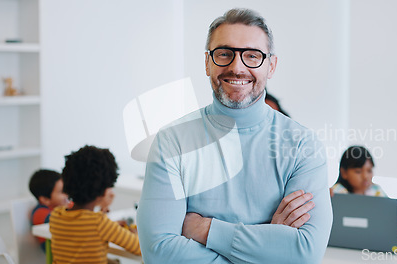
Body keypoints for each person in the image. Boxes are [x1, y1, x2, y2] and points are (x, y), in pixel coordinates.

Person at [137, 8, 332, 264]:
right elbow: (159, 252)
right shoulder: (172, 141)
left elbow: (305, 253)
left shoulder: (303, 146)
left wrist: (205, 229)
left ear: (270, 66)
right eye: (224, 54)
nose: (237, 67)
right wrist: (268, 245)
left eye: (252, 55)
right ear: (207, 62)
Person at [49, 145, 141, 263]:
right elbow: (139, 248)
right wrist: (136, 234)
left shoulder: (56, 216)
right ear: (102, 192)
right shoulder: (100, 223)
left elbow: (81, 230)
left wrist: (112, 226)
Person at [28, 169, 71, 251]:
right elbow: (62, 222)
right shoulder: (40, 213)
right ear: (45, 199)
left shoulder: (62, 206)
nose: (67, 194)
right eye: (62, 192)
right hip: (56, 253)